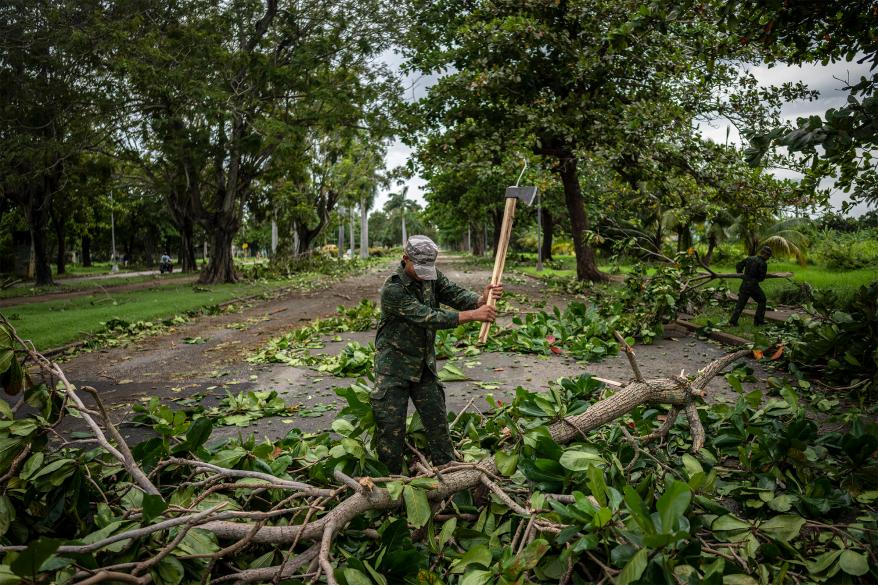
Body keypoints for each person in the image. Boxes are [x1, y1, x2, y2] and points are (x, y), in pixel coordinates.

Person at [372, 235, 502, 474]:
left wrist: (481, 300)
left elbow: (454, 294)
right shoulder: (393, 289)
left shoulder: (431, 277)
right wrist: (474, 315)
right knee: (390, 432)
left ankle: (448, 472)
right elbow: (427, 317)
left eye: (427, 269)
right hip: (394, 370)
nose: (424, 274)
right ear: (405, 259)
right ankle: (388, 484)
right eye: (419, 268)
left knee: (438, 423)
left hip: (423, 367)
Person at [729, 245, 772, 326]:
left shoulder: (750, 258)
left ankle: (733, 322)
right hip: (753, 286)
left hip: (744, 284)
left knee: (740, 304)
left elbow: (738, 265)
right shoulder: (763, 263)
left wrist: (742, 275)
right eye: (768, 256)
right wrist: (756, 279)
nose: (768, 258)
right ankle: (758, 321)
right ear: (765, 254)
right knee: (762, 300)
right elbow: (761, 278)